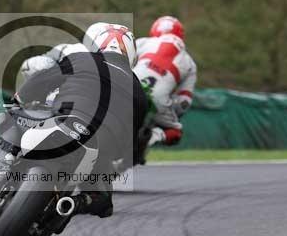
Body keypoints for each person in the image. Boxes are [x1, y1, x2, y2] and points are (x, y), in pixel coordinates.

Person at [12, 22, 149, 217]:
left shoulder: (80, 59)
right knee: (103, 203)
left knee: (12, 117)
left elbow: (42, 79)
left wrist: (19, 99)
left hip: (66, 119)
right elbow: (129, 143)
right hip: (101, 145)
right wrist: (111, 153)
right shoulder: (139, 91)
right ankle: (74, 204)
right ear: (131, 53)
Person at [133, 15, 197, 147]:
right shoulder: (190, 63)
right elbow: (184, 102)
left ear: (154, 31)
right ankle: (153, 136)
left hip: (132, 87)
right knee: (175, 132)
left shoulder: (143, 42)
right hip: (158, 101)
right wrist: (171, 112)